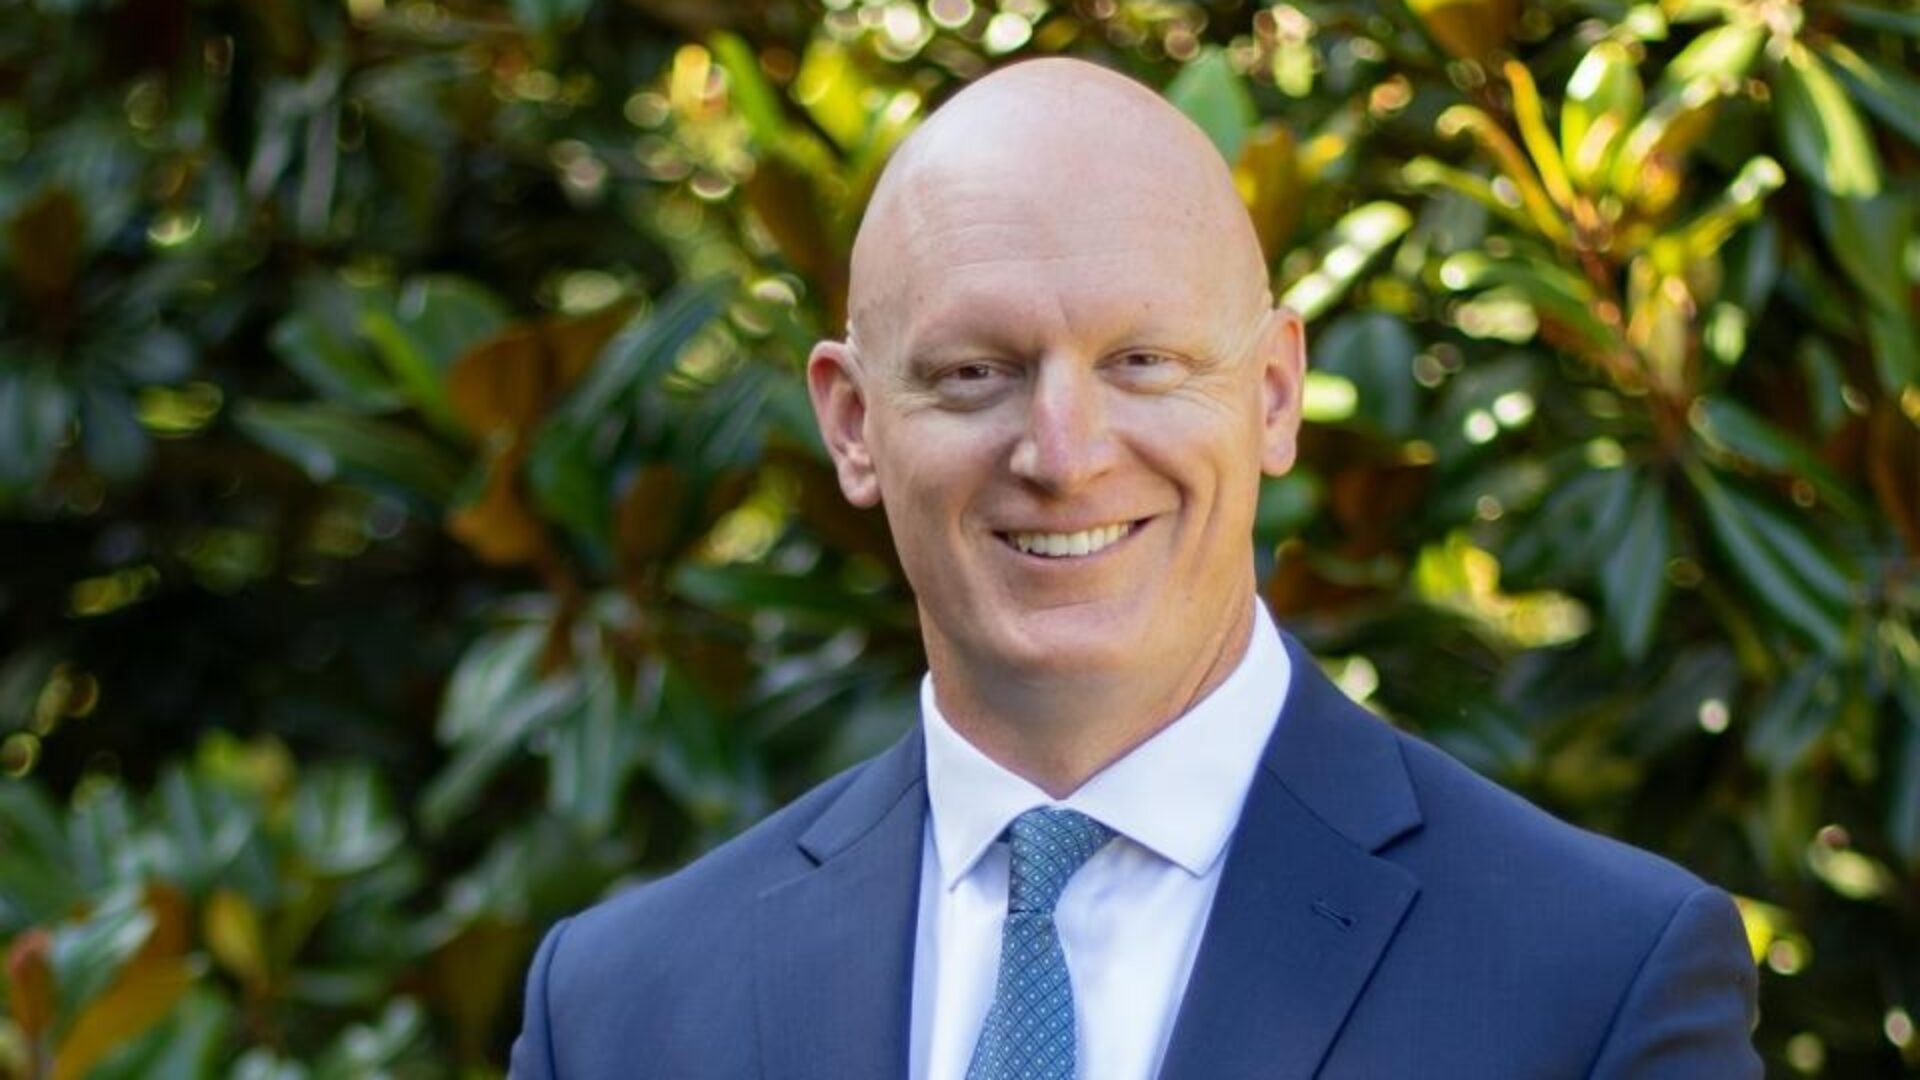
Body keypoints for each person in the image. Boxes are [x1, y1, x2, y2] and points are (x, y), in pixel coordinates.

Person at [509, 58, 1761, 1079]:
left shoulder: (1594, 982)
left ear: (1273, 396)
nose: (1063, 455)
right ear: (851, 425)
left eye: (1144, 363)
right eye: (974, 373)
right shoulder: (619, 1013)